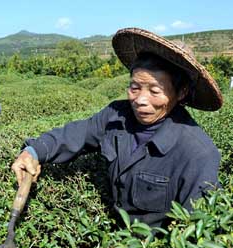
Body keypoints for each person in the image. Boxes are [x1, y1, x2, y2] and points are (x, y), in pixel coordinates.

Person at [11, 28, 223, 228]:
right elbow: (77, 133)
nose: (140, 100)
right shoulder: (116, 115)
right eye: (134, 88)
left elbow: (195, 230)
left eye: (155, 91)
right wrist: (33, 152)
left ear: (182, 92)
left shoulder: (198, 154)